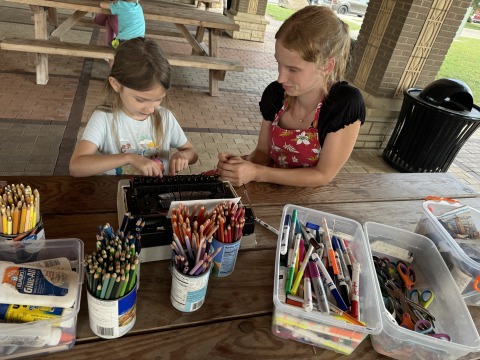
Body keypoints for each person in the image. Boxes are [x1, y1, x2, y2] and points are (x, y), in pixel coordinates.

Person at [216, 6, 365, 187]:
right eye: (279, 63)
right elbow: (262, 153)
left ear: (326, 66)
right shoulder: (276, 94)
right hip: (266, 189)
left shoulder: (343, 104)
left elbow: (323, 175)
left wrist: (257, 173)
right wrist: (238, 166)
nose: (281, 78)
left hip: (306, 200)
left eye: (293, 69)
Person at [69, 37, 198, 177]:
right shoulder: (103, 118)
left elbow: (192, 152)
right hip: (118, 193)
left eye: (158, 100)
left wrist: (183, 155)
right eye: (141, 100)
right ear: (116, 85)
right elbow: (76, 167)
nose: (150, 109)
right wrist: (129, 157)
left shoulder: (165, 117)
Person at [95, 0, 145, 65]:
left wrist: (113, 2)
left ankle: (112, 71)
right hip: (140, 42)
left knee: (111, 50)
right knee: (110, 18)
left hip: (124, 42)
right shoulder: (138, 7)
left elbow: (102, 4)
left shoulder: (120, 5)